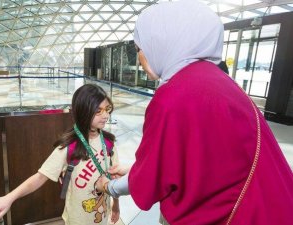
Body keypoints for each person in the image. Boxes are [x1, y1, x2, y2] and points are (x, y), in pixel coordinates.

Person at [96, 1, 293, 225]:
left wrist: (110, 186)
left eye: (140, 48)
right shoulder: (222, 83)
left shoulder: (173, 96)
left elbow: (152, 179)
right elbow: (201, 160)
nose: (140, 58)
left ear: (161, 43)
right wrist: (136, 169)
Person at [0, 84, 120, 225]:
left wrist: (116, 205)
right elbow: (39, 177)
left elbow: (114, 178)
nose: (106, 115)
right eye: (98, 111)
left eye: (107, 109)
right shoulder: (70, 148)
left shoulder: (109, 143)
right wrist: (9, 198)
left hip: (102, 217)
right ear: (83, 111)